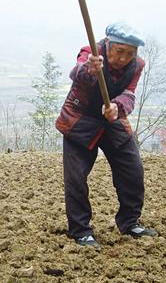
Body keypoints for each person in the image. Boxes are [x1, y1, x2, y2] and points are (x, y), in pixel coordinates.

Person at [56, 22, 157, 250]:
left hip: (112, 122)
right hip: (80, 121)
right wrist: (91, 69)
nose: (123, 58)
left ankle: (130, 222)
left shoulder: (137, 65)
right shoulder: (90, 53)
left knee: (133, 170)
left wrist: (117, 107)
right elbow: (77, 73)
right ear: (109, 45)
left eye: (129, 54)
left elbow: (129, 94)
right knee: (76, 179)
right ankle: (81, 231)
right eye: (119, 52)